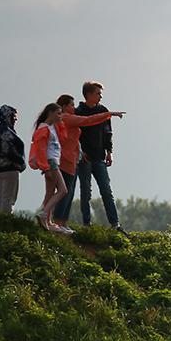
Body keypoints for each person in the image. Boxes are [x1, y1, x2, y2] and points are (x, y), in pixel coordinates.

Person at [49, 93, 125, 230]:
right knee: (68, 191)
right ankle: (57, 221)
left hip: (75, 159)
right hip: (68, 160)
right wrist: (109, 114)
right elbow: (87, 120)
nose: (74, 107)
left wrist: (107, 150)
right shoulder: (66, 117)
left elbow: (75, 138)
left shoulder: (68, 117)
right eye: (71, 105)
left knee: (68, 191)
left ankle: (60, 222)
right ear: (65, 107)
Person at [75, 81, 127, 234]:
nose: (100, 96)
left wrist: (109, 152)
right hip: (84, 159)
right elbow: (74, 135)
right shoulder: (79, 112)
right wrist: (79, 151)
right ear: (89, 94)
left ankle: (115, 224)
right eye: (98, 93)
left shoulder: (104, 111)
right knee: (86, 191)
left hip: (99, 157)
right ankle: (86, 224)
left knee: (106, 190)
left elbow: (107, 134)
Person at [29, 103, 71, 234]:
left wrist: (61, 123)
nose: (60, 116)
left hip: (53, 162)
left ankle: (47, 221)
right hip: (51, 163)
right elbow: (41, 149)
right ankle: (44, 213)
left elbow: (64, 138)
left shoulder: (52, 127)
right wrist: (46, 168)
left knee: (50, 193)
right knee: (63, 190)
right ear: (50, 113)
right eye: (58, 113)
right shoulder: (43, 128)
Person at [0, 105, 25, 215]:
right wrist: (20, 161)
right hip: (10, 167)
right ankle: (5, 220)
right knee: (9, 197)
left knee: (0, 195)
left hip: (0, 166)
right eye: (13, 117)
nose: (15, 120)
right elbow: (8, 150)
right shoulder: (5, 131)